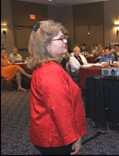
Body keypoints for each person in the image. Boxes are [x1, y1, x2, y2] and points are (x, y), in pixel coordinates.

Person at [27, 20, 87, 155]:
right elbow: (61, 111)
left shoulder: (44, 67)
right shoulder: (51, 72)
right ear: (47, 46)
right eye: (60, 38)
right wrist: (74, 137)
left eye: (64, 37)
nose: (65, 41)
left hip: (47, 134)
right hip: (54, 138)